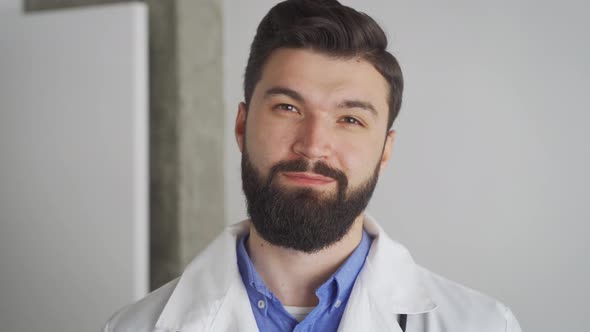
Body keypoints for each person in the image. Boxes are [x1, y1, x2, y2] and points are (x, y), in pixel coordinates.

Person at [104, 0, 522, 331]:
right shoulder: (132, 327)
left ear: (385, 150)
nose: (313, 145)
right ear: (242, 125)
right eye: (288, 107)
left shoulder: (484, 325)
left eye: (350, 119)